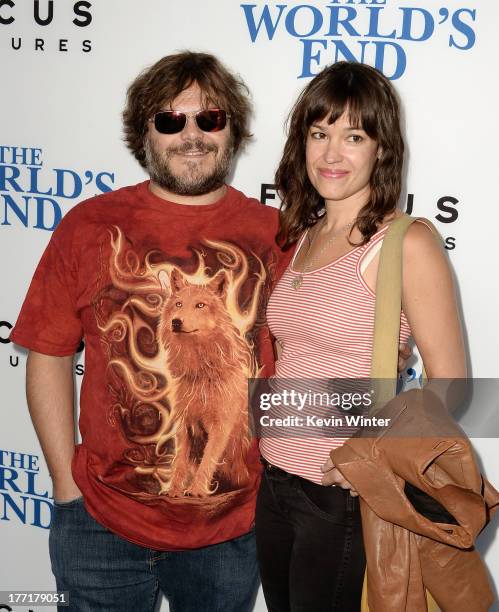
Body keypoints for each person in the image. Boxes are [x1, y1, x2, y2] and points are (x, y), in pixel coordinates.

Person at [10, 51, 287, 612]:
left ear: (232, 129)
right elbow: (48, 353)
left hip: (231, 530)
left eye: (209, 119)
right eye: (170, 120)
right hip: (100, 523)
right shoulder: (89, 225)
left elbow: (316, 349)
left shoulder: (277, 233)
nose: (191, 135)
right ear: (145, 134)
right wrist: (66, 488)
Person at [255, 61, 466, 612]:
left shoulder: (404, 243)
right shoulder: (303, 235)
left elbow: (452, 383)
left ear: (381, 149)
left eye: (354, 137)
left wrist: (370, 454)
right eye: (319, 133)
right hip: (275, 480)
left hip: (340, 497)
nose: (331, 154)